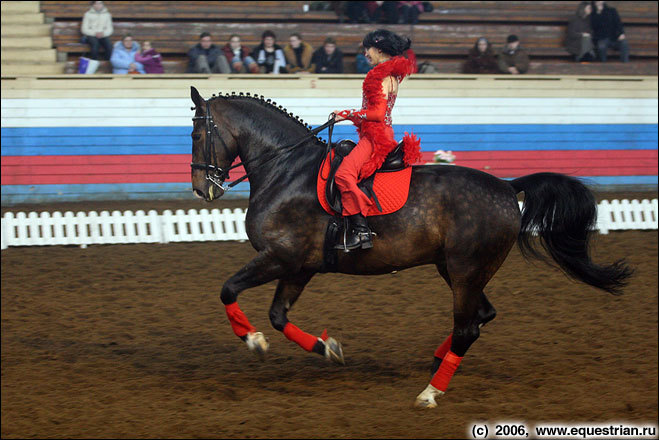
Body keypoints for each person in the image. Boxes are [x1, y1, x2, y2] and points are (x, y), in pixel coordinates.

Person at [331, 29, 421, 250]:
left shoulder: (378, 76)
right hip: (381, 133)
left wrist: (347, 113)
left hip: (375, 137)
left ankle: (361, 230)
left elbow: (377, 114)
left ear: (379, 50)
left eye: (367, 49)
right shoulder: (392, 75)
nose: (365, 54)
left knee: (343, 175)